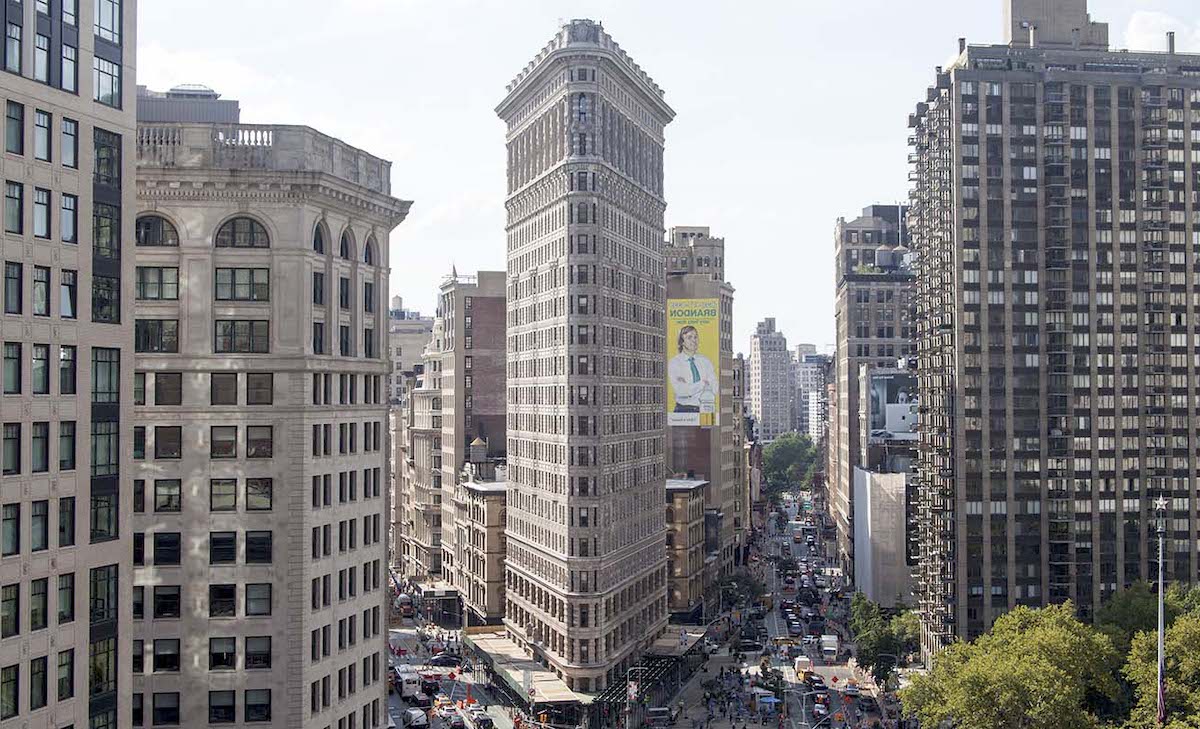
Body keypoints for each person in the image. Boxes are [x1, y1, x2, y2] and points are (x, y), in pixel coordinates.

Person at [668, 326, 717, 415]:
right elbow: (681, 391)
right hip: (683, 411)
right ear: (682, 342)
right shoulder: (674, 363)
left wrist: (689, 388)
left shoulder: (705, 361)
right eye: (689, 337)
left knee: (706, 429)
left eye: (695, 337)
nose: (694, 340)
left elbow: (714, 388)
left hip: (705, 409)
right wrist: (703, 384)